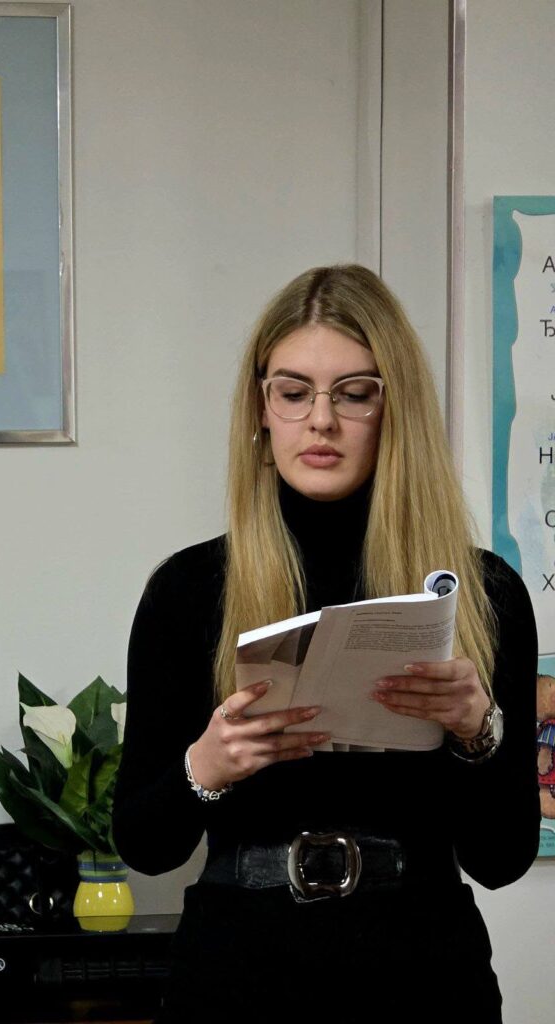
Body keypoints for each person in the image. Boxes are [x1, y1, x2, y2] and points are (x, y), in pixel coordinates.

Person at [113, 264, 540, 1023]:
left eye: (354, 392)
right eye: (294, 392)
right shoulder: (187, 589)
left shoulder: (481, 593)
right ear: (262, 407)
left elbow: (502, 860)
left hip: (423, 973)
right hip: (238, 973)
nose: (321, 421)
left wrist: (478, 731)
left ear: (394, 407)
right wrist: (206, 767)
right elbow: (145, 846)